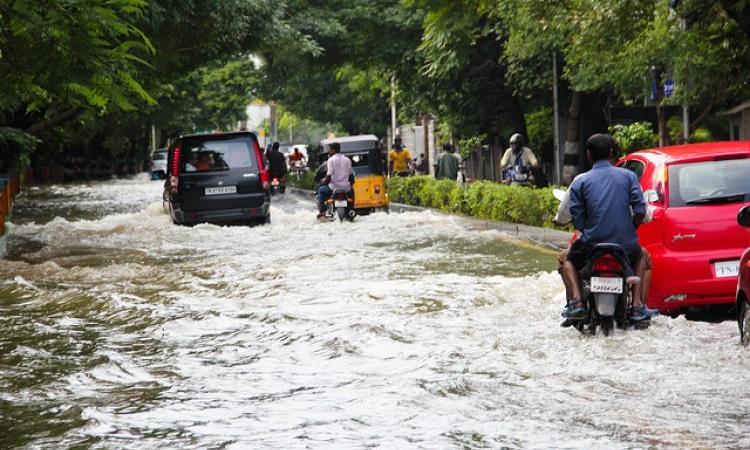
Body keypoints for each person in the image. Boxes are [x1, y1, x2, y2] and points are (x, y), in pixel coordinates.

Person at [561, 133, 655, 322]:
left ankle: (577, 303)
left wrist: (589, 229)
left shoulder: (580, 181)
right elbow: (639, 209)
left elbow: (578, 220)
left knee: (567, 260)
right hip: (625, 245)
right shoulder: (629, 176)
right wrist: (630, 228)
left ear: (588, 155)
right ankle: (637, 306)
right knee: (642, 257)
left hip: (590, 246)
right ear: (612, 153)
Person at [316, 142, 354, 218]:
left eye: (330, 150)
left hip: (333, 188)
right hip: (346, 188)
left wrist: (324, 183)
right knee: (352, 193)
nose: (329, 151)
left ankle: (323, 211)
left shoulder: (331, 160)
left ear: (333, 150)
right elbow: (351, 176)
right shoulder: (347, 160)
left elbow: (329, 175)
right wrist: (350, 185)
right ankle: (351, 210)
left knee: (321, 190)